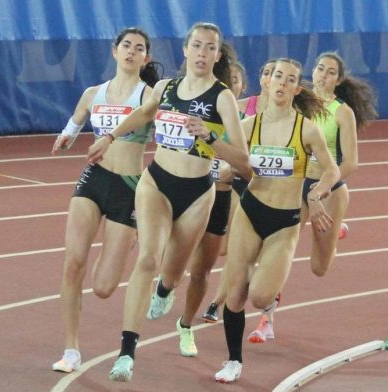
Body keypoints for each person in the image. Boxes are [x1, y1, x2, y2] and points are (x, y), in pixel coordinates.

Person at [87, 22, 249, 382]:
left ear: (217, 56)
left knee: (174, 274)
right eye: (197, 46)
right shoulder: (166, 87)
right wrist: (109, 137)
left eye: (210, 48)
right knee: (147, 257)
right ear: (186, 50)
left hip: (197, 192)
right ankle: (127, 352)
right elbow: (144, 114)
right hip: (157, 182)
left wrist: (209, 136)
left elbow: (243, 158)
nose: (202, 53)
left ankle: (166, 287)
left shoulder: (222, 98)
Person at [214, 58, 341, 383]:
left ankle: (270, 287)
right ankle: (233, 360)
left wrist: (316, 195)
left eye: (290, 79)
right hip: (251, 210)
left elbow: (332, 170)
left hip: (284, 222)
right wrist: (212, 149)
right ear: (267, 83)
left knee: (259, 296)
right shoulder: (248, 126)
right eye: (277, 77)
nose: (282, 83)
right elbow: (222, 156)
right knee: (236, 293)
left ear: (297, 88)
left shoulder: (306, 129)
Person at [245, 52, 378, 344]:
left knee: (319, 268)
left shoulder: (342, 112)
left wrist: (322, 190)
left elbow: (351, 162)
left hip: (328, 189)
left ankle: (337, 224)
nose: (322, 75)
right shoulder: (299, 101)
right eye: (319, 69)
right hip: (296, 184)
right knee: (281, 251)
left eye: (330, 72)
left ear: (338, 80)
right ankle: (267, 320)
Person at [49, 28, 161, 373]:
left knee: (103, 287)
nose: (131, 51)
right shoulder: (92, 93)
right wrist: (66, 137)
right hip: (93, 180)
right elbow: (74, 123)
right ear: (114, 52)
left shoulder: (149, 95)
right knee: (73, 263)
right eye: (126, 45)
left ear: (145, 58)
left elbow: (160, 128)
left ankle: (123, 242)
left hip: (128, 186)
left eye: (138, 48)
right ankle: (71, 349)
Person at [169, 58, 248, 358]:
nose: (230, 85)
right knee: (173, 261)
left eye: (236, 80)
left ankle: (187, 324)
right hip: (190, 190)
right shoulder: (196, 109)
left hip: (223, 196)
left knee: (203, 269)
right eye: (226, 80)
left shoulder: (245, 119)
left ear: (241, 86)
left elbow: (248, 165)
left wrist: (232, 170)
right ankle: (165, 283)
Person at [201, 59, 277, 324]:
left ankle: (215, 302)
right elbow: (219, 148)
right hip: (236, 182)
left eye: (276, 74)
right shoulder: (242, 111)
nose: (271, 78)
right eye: (266, 72)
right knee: (223, 248)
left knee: (238, 250)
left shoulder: (292, 117)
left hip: (268, 189)